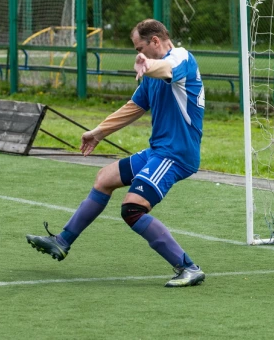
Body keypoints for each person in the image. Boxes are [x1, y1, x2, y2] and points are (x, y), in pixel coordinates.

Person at [26, 19, 206, 288]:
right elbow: (133, 107)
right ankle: (62, 242)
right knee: (104, 178)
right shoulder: (152, 76)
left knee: (132, 209)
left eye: (140, 48)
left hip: (176, 154)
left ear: (155, 41)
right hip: (160, 150)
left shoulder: (180, 57)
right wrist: (97, 132)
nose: (138, 55)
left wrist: (149, 65)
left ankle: (188, 267)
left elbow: (168, 68)